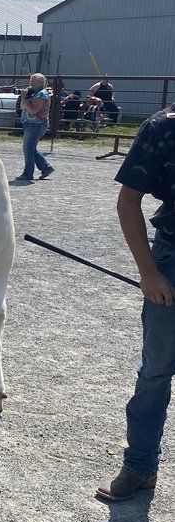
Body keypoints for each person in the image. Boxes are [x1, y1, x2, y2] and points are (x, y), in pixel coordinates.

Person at [97, 104, 175, 501]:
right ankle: (140, 466)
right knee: (156, 372)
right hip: (171, 263)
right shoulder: (163, 128)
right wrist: (148, 273)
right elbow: (129, 201)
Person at [13, 73, 54, 183]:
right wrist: (25, 97)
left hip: (36, 124)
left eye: (33, 81)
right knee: (31, 149)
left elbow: (33, 110)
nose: (30, 84)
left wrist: (23, 98)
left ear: (41, 82)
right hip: (31, 124)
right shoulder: (34, 93)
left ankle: (28, 174)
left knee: (28, 149)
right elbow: (22, 106)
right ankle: (46, 168)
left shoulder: (41, 95)